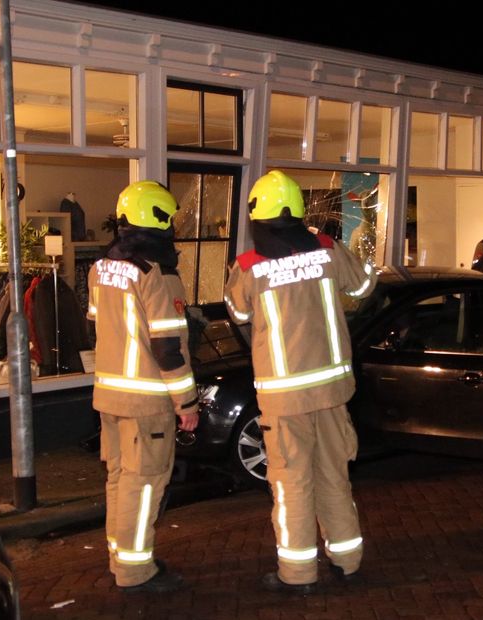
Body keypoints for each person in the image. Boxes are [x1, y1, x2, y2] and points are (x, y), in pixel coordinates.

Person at [224, 171, 376, 593]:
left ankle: (298, 574)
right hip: (331, 393)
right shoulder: (327, 249)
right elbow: (364, 285)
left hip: (283, 398)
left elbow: (237, 314)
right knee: (334, 476)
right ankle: (347, 560)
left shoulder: (249, 266)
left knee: (292, 484)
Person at [87, 180, 199, 593]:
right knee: (145, 481)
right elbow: (169, 348)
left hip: (108, 395)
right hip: (146, 400)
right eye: (169, 218)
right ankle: (135, 571)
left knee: (119, 478)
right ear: (159, 218)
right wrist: (186, 402)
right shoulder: (158, 273)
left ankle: (120, 555)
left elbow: (97, 322)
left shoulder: (102, 267)